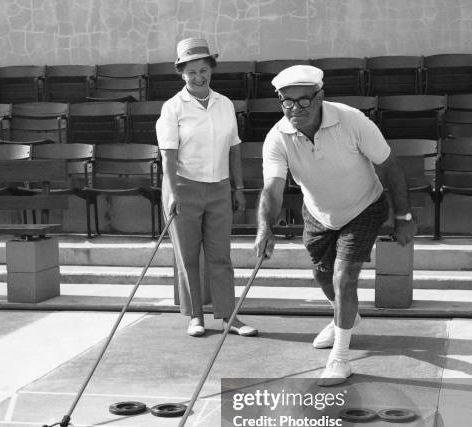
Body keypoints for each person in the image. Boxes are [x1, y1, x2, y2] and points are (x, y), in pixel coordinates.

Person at [254, 65, 415, 385]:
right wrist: (265, 228)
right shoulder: (277, 137)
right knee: (321, 274)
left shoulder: (352, 120)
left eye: (304, 101)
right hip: (318, 212)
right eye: (287, 101)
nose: (295, 109)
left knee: (344, 278)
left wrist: (403, 216)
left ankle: (340, 358)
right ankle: (347, 316)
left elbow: (389, 166)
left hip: (364, 206)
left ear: (320, 97)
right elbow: (272, 188)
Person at [156, 37, 257, 337]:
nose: (199, 77)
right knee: (188, 256)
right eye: (191, 72)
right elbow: (168, 156)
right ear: (181, 74)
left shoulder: (225, 104)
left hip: (219, 188)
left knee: (220, 255)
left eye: (203, 70)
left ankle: (229, 316)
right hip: (182, 186)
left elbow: (234, 149)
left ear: (211, 69)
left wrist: (238, 188)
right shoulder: (172, 108)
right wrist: (173, 192)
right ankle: (195, 316)